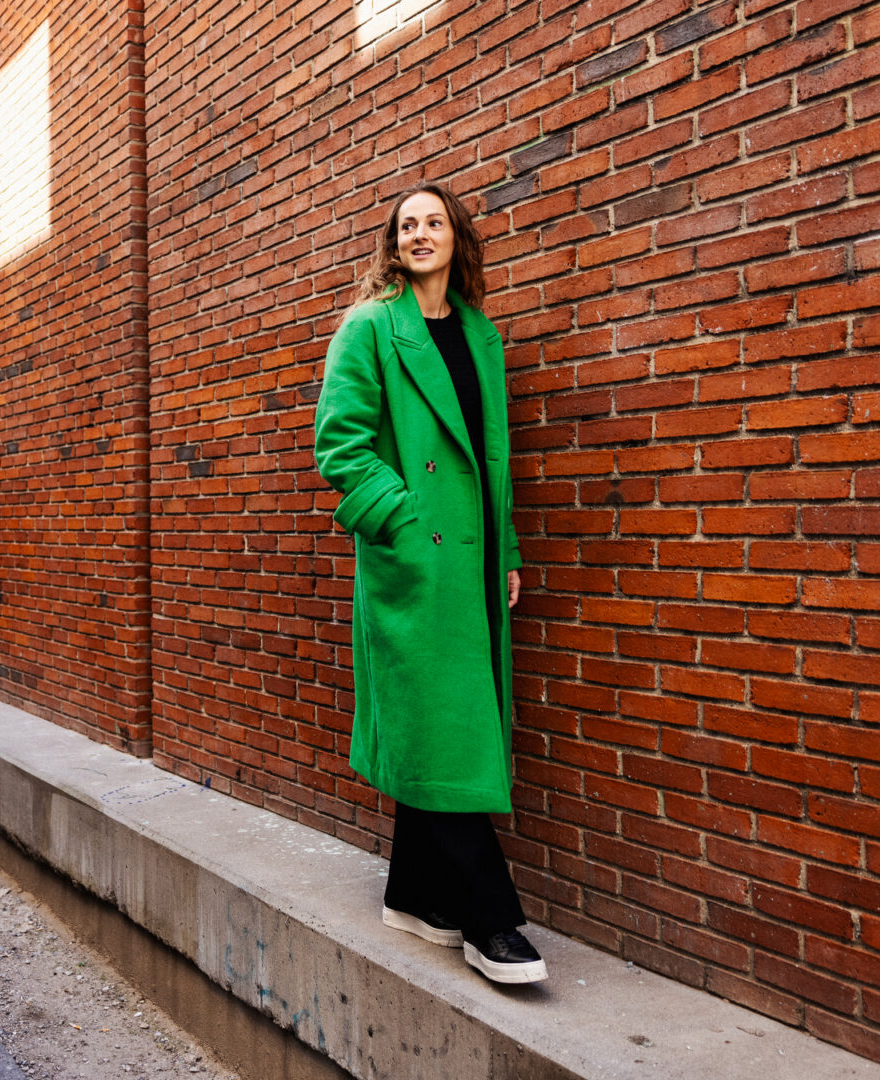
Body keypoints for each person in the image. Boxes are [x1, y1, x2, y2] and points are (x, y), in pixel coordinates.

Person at [313, 182, 545, 985]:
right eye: (406, 224)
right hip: (417, 560)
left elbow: (493, 458)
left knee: (440, 722)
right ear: (394, 243)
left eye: (433, 222)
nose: (419, 233)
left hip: (472, 560)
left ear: (455, 238)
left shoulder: (480, 336)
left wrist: (506, 551)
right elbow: (339, 445)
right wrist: (403, 524)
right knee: (445, 725)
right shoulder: (370, 327)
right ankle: (490, 916)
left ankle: (415, 896)